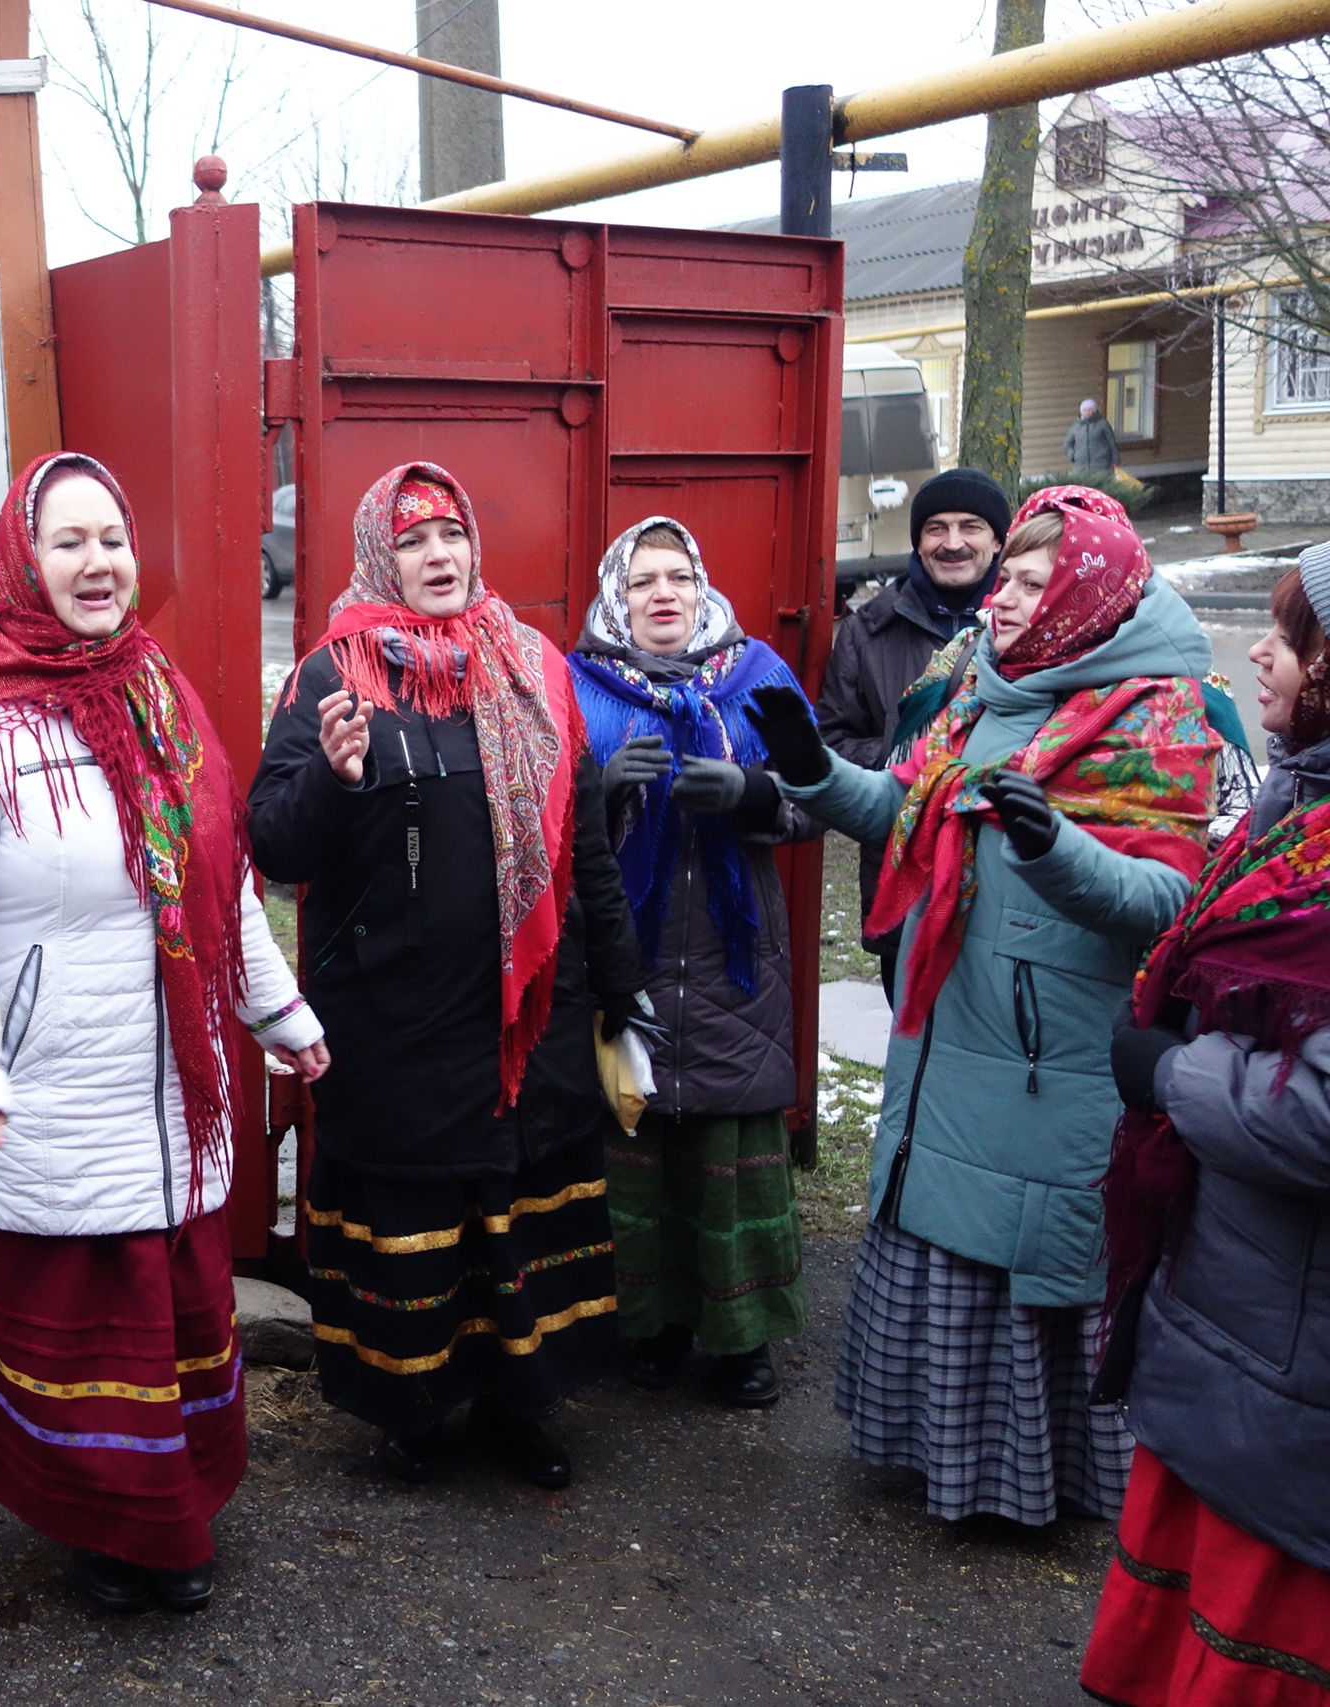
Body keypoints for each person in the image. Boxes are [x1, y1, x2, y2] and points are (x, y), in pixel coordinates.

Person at [0, 452, 326, 1617]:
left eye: (112, 540)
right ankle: (107, 1530)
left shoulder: (158, 693)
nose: (97, 564)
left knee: (163, 1311)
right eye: (69, 541)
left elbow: (214, 875)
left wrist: (274, 1011)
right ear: (22, 561)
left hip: (165, 1082)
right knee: (85, 1327)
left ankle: (162, 1517)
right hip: (44, 1086)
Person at [746, 485, 1223, 1527]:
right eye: (1004, 575)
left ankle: (1033, 1484)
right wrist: (811, 772)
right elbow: (904, 807)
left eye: (1028, 580)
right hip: (948, 1014)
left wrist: (1057, 851)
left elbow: (1165, 905)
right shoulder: (979, 678)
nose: (1001, 596)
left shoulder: (1158, 711)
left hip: (1048, 1051)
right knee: (943, 1248)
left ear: (1085, 594)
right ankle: (934, 1453)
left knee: (1026, 1260)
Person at [248, 463, 641, 1492]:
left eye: (452, 536)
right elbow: (275, 846)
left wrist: (618, 980)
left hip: (527, 1017)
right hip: (395, 1019)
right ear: (382, 552)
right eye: (416, 539)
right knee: (414, 1220)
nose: (439, 557)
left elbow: (580, 842)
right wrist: (333, 785)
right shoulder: (330, 679)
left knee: (517, 1207)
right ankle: (410, 1408)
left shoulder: (535, 668)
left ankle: (524, 1404)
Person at [1079, 547, 1330, 1705]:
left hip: (1290, 1346)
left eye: (1295, 637)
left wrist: (1174, 1072)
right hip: (1238, 1305)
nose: (1265, 654)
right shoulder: (1301, 801)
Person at [567, 517, 816, 1409]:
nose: (662, 594)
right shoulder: (574, 685)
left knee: (725, 1146)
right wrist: (594, 796)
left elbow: (819, 795)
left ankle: (741, 1337)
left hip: (730, 960)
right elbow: (535, 811)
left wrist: (756, 793)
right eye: (642, 583)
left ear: (701, 585)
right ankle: (653, 1324)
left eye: (677, 576)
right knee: (640, 1145)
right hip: (624, 952)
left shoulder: (759, 679)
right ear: (616, 598)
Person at [817, 468, 1011, 1002]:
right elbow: (830, 741)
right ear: (918, 541)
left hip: (1007, 879)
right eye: (936, 529)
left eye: (971, 527)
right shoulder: (868, 631)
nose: (953, 543)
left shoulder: (1035, 622)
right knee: (912, 1047)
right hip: (904, 878)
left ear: (998, 539)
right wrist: (917, 756)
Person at [1065, 396, 1120, 476]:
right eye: (1084, 410)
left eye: (1090, 409)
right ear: (1081, 411)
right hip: (1081, 468)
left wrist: (1115, 460)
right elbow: (1067, 444)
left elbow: (1112, 443)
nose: (1087, 412)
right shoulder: (1075, 427)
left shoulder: (1103, 424)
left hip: (1101, 467)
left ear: (1094, 410)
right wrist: (1073, 455)